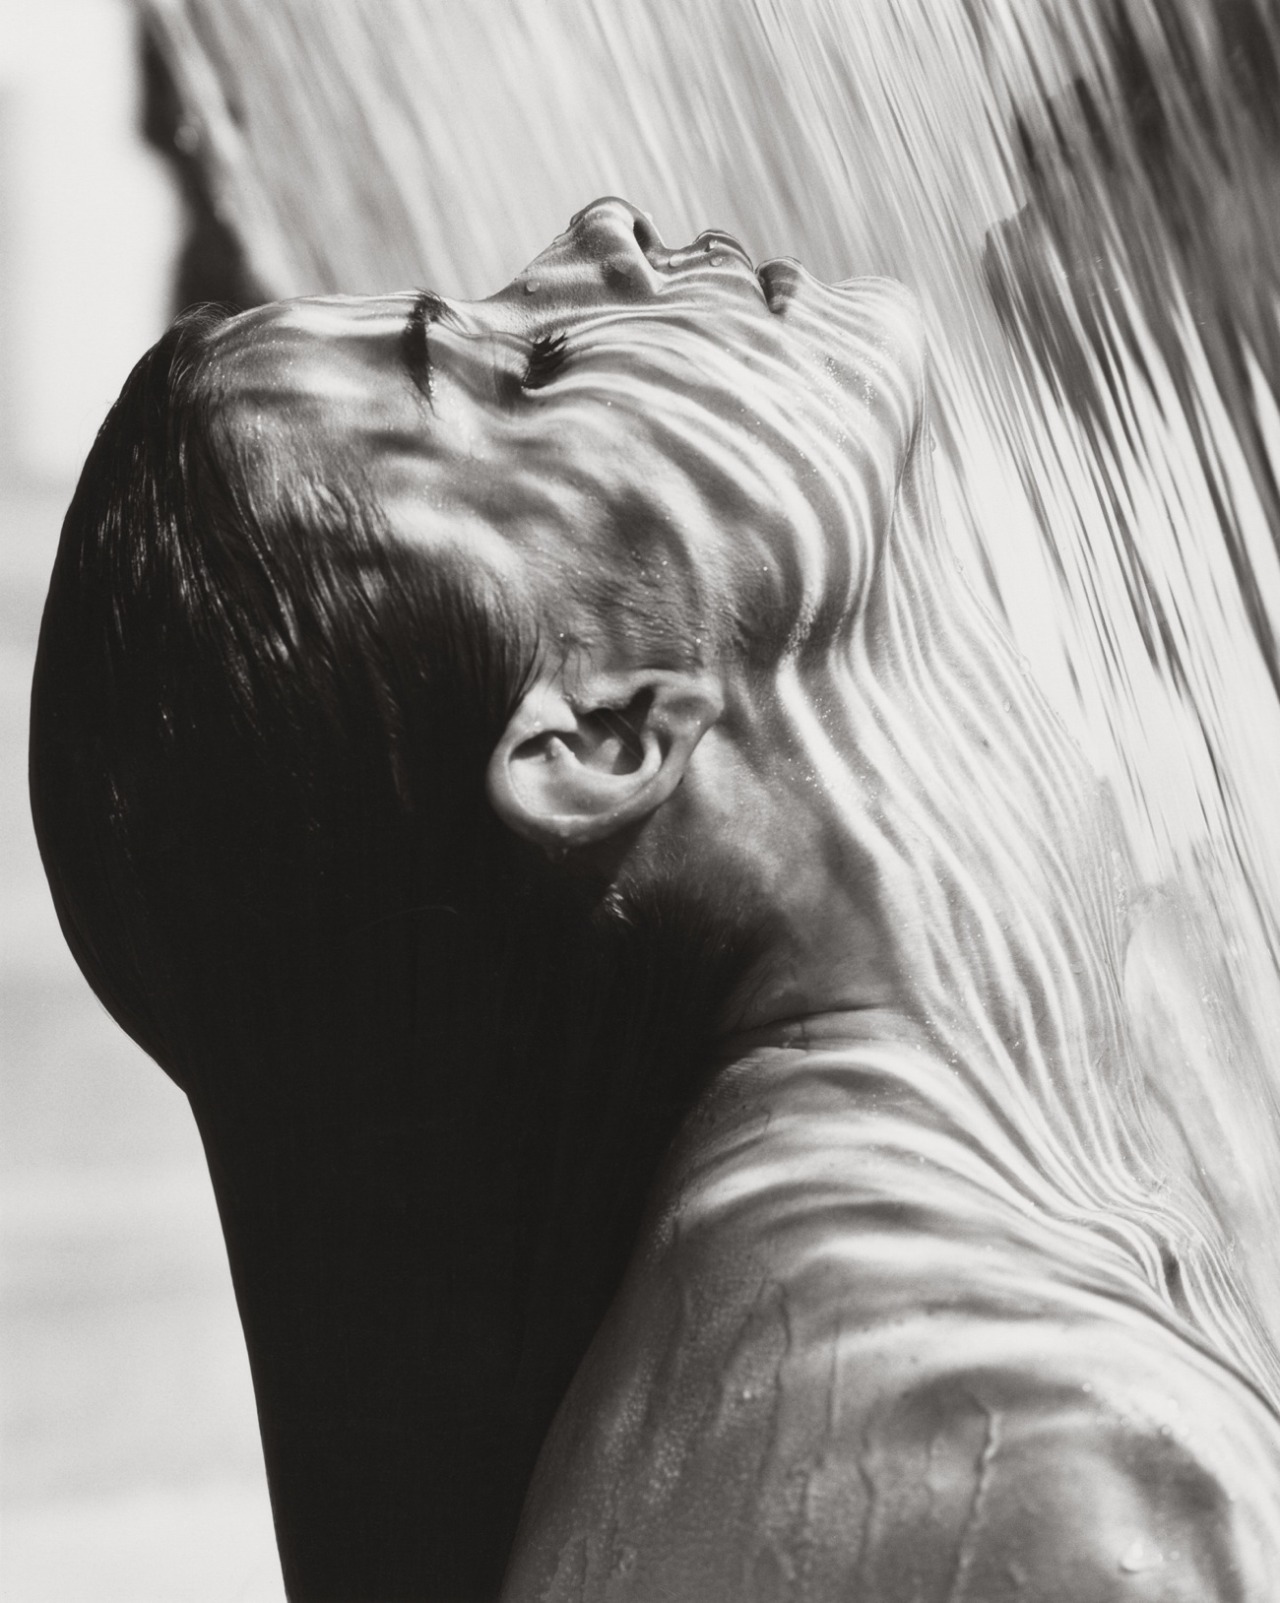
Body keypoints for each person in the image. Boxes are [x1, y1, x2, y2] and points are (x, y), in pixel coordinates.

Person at [30, 197, 1280, 1599]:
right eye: (532, 364)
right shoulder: (1053, 1488)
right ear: (597, 741)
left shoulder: (800, 1381)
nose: (603, 234)